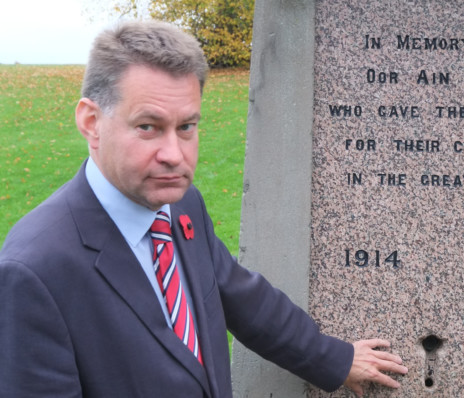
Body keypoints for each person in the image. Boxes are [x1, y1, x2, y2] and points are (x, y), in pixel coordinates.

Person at [0, 20, 407, 397]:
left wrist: (333, 358)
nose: (174, 155)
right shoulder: (34, 271)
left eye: (186, 127)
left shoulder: (181, 205)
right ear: (91, 121)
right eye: (148, 127)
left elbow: (240, 296)